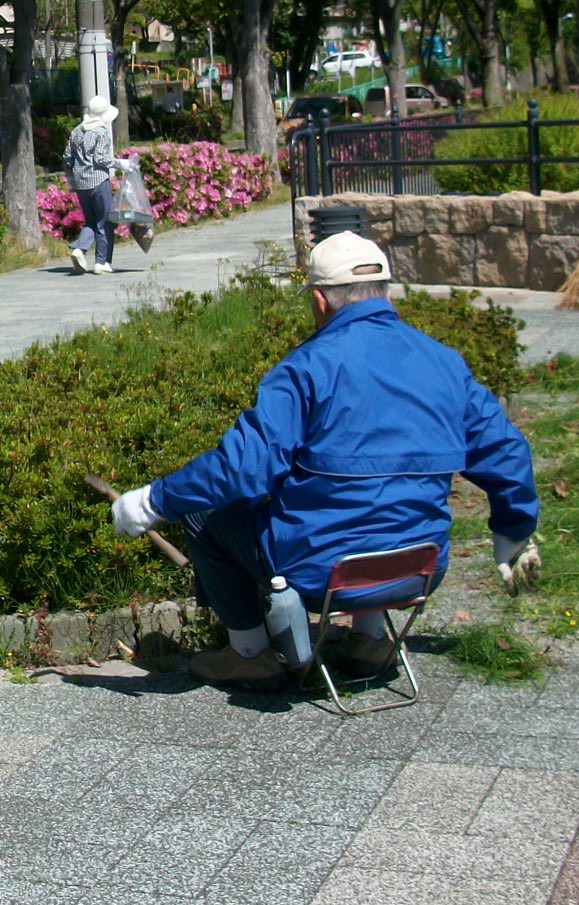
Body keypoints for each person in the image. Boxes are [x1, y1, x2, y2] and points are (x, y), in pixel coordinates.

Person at [109, 231, 543, 687]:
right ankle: (371, 640)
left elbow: (240, 470)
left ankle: (251, 653)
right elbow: (507, 451)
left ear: (319, 300)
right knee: (379, 501)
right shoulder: (444, 363)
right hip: (420, 568)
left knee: (201, 511)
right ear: (385, 292)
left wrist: (153, 500)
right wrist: (513, 529)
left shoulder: (305, 370)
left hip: (320, 574)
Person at [62, 96, 120, 275]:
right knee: (105, 221)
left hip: (81, 183)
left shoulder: (77, 131)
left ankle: (80, 249)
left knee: (91, 220)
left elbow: (67, 158)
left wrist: (72, 178)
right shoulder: (102, 133)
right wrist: (119, 163)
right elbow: (101, 159)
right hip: (98, 181)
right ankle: (101, 261)